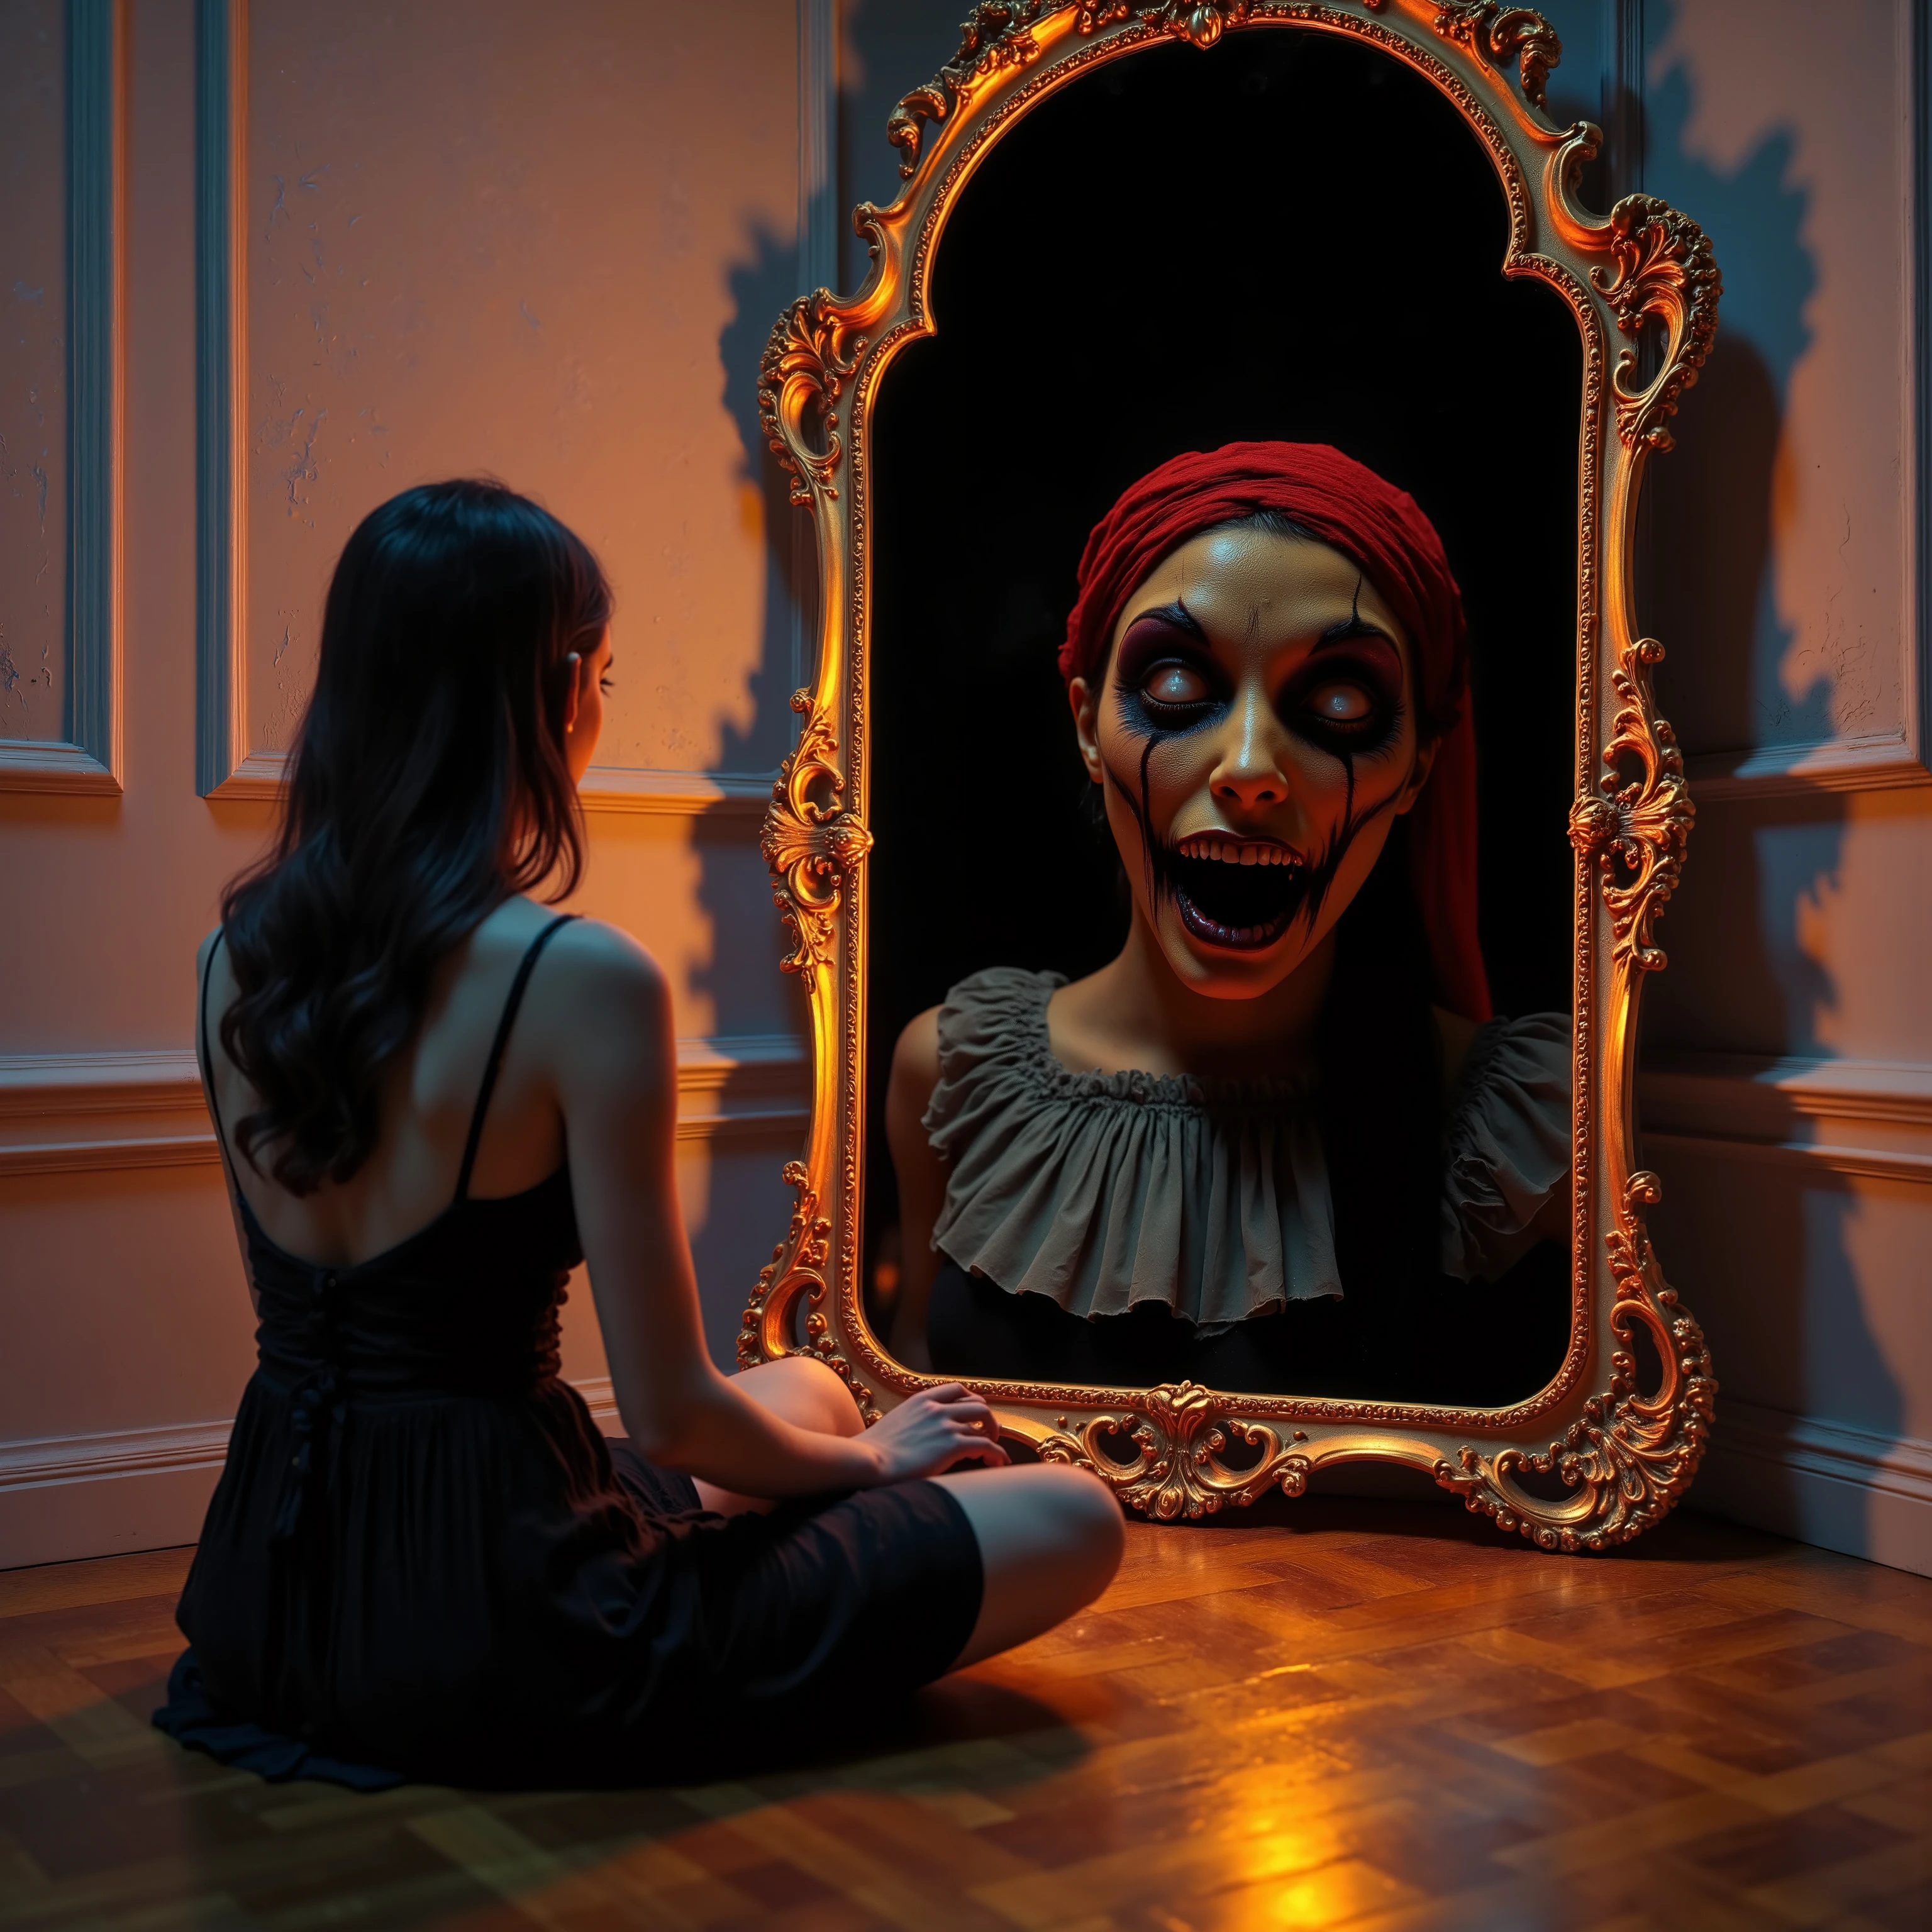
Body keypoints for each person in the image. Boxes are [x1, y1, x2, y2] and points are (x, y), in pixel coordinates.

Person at [155, 480, 1122, 1790]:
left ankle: (817, 1473)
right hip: (507, 1629)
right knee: (1072, 1514)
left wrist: (845, 1443)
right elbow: (669, 1417)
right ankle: (773, 1546)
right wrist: (875, 1465)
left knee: (818, 1387)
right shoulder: (579, 979)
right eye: (600, 675)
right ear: (554, 698)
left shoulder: (234, 956)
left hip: (280, 1591)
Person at [886, 443, 1570, 1401]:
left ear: (1418, 763)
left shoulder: (1526, 1131)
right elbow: (910, 1393)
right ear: (1087, 725)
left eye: (1340, 698)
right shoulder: (953, 1074)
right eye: (1174, 684)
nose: (1249, 767)